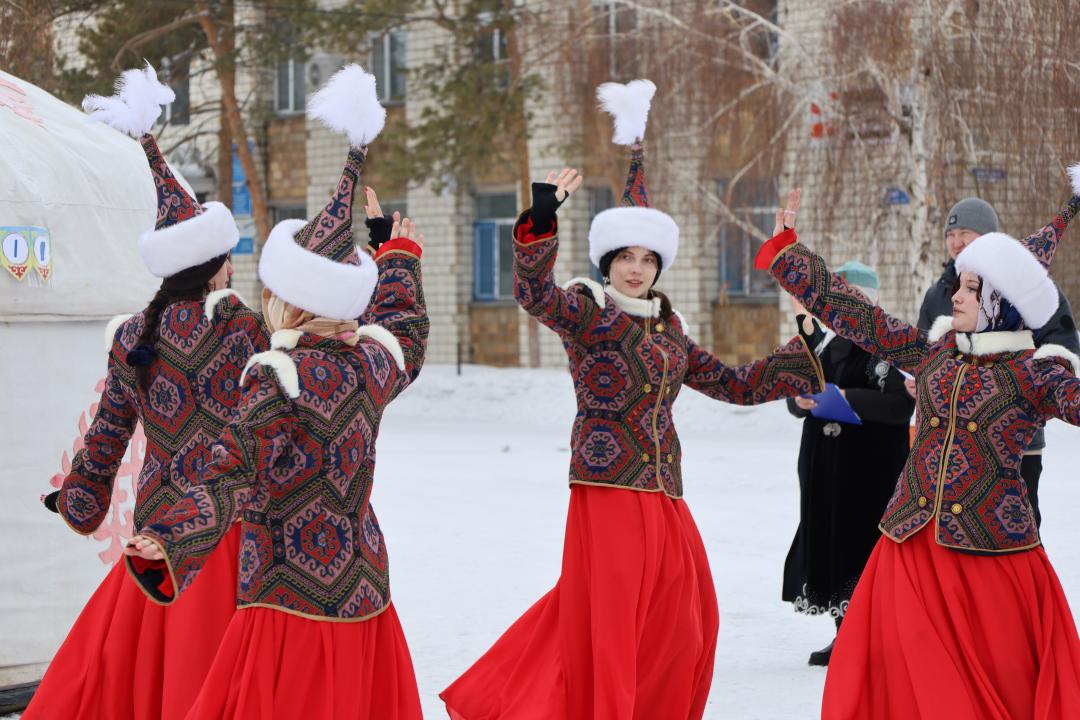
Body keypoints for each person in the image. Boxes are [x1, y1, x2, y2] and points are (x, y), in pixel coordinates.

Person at [441, 79, 824, 720]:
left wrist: (799, 350)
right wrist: (540, 223)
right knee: (610, 618)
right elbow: (536, 296)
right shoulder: (588, 314)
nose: (637, 269)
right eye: (626, 257)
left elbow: (732, 383)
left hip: (664, 489)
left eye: (648, 258)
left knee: (688, 613)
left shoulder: (668, 328)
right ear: (609, 259)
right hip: (607, 488)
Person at [123, 64, 429, 720]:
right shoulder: (372, 364)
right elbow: (407, 334)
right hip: (364, 588)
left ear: (285, 299)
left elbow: (232, 462)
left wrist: (171, 539)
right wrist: (396, 258)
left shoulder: (278, 373)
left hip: (287, 596)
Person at [756, 178, 1080, 719]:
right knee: (897, 678)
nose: (955, 295)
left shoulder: (1034, 374)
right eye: (961, 283)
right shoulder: (933, 355)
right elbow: (855, 314)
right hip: (908, 543)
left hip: (991, 555)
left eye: (973, 289)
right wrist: (792, 254)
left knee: (996, 683)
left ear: (1004, 303)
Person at [25, 63, 268, 720]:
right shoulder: (244, 328)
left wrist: (79, 500)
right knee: (217, 670)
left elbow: (107, 433)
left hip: (158, 525)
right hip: (230, 528)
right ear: (216, 261)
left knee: (155, 665)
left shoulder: (136, 332)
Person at [915, 197, 1080, 526]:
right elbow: (924, 352)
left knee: (1016, 524)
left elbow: (1060, 343)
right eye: (951, 233)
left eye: (966, 232)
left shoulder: (1025, 288)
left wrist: (1039, 388)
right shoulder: (938, 293)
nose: (956, 241)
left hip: (1012, 438)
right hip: (949, 441)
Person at [782, 262, 913, 667]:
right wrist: (802, 399)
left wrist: (843, 399)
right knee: (832, 543)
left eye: (858, 299)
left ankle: (872, 637)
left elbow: (900, 404)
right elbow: (795, 396)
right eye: (843, 300)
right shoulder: (822, 345)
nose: (850, 308)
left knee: (865, 547)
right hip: (825, 466)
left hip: (871, 468)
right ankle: (845, 632)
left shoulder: (891, 345)